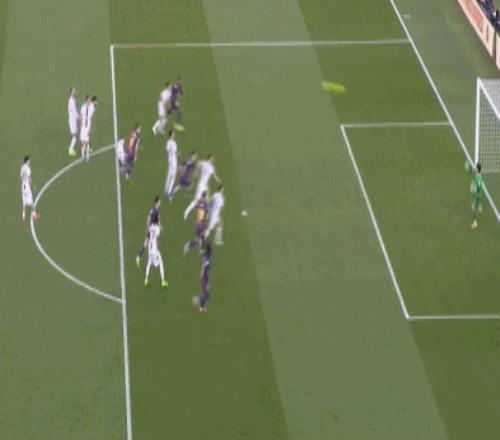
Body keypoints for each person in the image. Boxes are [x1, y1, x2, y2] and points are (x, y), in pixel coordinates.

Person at [183, 153, 220, 220]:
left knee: (207, 197)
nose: (213, 160)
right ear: (210, 158)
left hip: (204, 185)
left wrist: (195, 171)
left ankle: (207, 212)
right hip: (201, 185)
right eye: (212, 158)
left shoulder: (204, 163)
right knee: (196, 201)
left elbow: (198, 164)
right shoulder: (211, 167)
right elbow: (214, 176)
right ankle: (186, 211)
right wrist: (218, 180)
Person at [136, 196, 161, 267]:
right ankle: (153, 261)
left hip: (152, 229)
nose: (160, 203)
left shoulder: (155, 210)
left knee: (146, 244)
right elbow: (149, 218)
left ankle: (138, 257)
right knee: (154, 244)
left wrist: (159, 225)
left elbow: (156, 219)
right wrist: (148, 227)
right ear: (156, 203)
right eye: (159, 202)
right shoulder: (154, 210)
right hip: (152, 230)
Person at [144, 216, 169, 288]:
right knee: (160, 263)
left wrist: (148, 222)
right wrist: (157, 249)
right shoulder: (157, 228)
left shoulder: (150, 227)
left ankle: (146, 279)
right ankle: (163, 281)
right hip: (155, 249)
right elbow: (157, 238)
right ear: (157, 221)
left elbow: (147, 234)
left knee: (149, 263)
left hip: (150, 248)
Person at [192, 243, 212, 313]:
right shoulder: (208, 259)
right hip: (204, 278)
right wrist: (202, 275)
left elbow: (202, 254)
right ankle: (197, 299)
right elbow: (203, 266)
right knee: (207, 296)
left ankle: (201, 308)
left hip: (204, 277)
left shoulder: (204, 255)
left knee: (206, 292)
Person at [20, 155, 41, 222]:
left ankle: (23, 216)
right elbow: (29, 178)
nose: (30, 161)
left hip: (23, 186)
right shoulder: (28, 168)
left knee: (24, 201)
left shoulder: (22, 168)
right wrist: (33, 186)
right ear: (27, 161)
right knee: (31, 202)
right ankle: (34, 215)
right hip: (27, 187)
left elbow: (21, 177)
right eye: (29, 160)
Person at [80, 95, 97, 161]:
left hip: (88, 126)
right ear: (86, 100)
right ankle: (83, 154)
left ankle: (87, 154)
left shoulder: (92, 107)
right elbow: (81, 116)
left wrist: (90, 127)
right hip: (83, 126)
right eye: (88, 101)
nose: (89, 102)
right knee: (82, 141)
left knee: (87, 141)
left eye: (90, 101)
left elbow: (91, 117)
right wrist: (81, 124)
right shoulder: (83, 107)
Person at [164, 130, 179, 201]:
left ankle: (167, 190)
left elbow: (169, 151)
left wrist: (175, 154)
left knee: (170, 176)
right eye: (173, 134)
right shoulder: (171, 142)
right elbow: (169, 151)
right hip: (173, 161)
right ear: (170, 135)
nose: (174, 135)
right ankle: (168, 192)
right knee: (171, 176)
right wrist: (175, 154)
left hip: (172, 161)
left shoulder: (171, 142)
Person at [470, 162, 483, 230]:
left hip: (477, 195)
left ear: (478, 169)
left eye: (476, 167)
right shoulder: (479, 175)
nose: (475, 168)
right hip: (479, 194)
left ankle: (475, 223)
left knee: (473, 208)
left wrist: (473, 189)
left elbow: (478, 187)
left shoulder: (477, 177)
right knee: (477, 205)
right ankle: (479, 206)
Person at [67, 87, 79, 157]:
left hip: (73, 120)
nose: (75, 92)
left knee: (75, 135)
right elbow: (74, 111)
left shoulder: (73, 100)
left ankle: (71, 149)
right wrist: (78, 118)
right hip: (72, 120)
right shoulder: (71, 101)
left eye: (75, 91)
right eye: (73, 91)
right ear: (71, 93)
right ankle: (70, 150)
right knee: (74, 136)